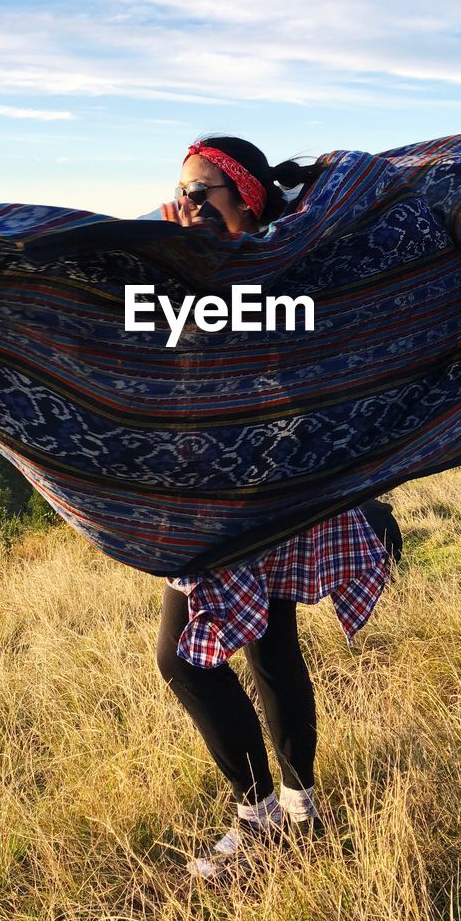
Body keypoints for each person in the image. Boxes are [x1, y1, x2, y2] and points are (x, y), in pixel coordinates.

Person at [156, 135, 399, 879]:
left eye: (204, 192)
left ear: (246, 198)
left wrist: (191, 275)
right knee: (269, 647)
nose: (188, 204)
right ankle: (298, 810)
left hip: (267, 495)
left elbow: (243, 349)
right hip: (225, 489)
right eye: (181, 191)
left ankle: (262, 816)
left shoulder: (283, 272)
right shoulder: (199, 270)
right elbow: (162, 352)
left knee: (182, 661)